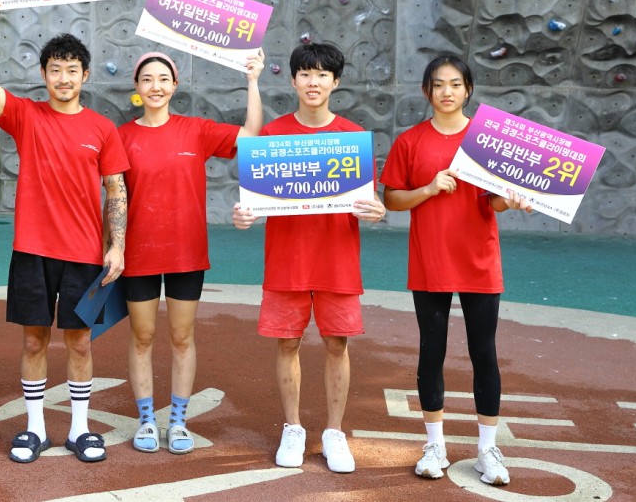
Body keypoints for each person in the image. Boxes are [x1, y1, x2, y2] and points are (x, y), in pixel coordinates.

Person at [0, 0, 129, 464]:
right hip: (32, 250)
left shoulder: (102, 128)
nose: (63, 78)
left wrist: (117, 246)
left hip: (84, 253)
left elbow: (116, 189)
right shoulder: (26, 116)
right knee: (34, 338)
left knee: (79, 341)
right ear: (43, 74)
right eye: (55, 70)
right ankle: (35, 428)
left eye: (72, 70)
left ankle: (80, 429)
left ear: (85, 75)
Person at [232, 42, 386, 474]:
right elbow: (256, 202)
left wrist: (376, 210)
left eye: (322, 75)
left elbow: (369, 201)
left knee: (337, 343)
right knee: (287, 342)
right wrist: (245, 215)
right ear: (293, 80)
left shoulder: (353, 138)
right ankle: (294, 427)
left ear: (335, 82)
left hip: (337, 260)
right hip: (287, 260)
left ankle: (335, 432)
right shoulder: (272, 136)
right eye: (305, 74)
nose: (313, 82)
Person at [379, 55, 531, 486]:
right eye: (438, 84)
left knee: (484, 352)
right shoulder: (410, 141)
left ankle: (487, 450)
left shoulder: (488, 142)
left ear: (468, 90)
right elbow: (391, 199)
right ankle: (435, 446)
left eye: (456, 84)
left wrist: (512, 199)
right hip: (431, 259)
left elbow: (495, 201)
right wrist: (429, 188)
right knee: (432, 350)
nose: (447, 92)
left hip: (479, 259)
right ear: (426, 90)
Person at [119, 49, 263, 455]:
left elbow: (250, 136)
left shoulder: (196, 130)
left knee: (182, 337)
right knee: (142, 336)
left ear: (175, 86)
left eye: (163, 79)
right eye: (147, 79)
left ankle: (178, 421)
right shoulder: (122, 136)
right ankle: (147, 420)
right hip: (139, 253)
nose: (155, 86)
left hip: (186, 252)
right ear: (137, 86)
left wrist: (252, 80)